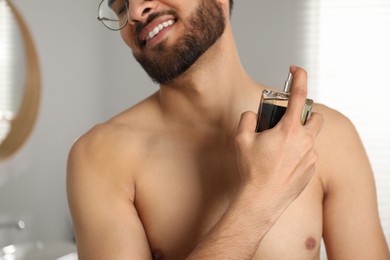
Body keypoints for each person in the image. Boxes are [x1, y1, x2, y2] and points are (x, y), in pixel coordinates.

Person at [66, 0, 390, 259]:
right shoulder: (100, 158)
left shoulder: (330, 136)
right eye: (120, 7)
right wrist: (261, 198)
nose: (135, 11)